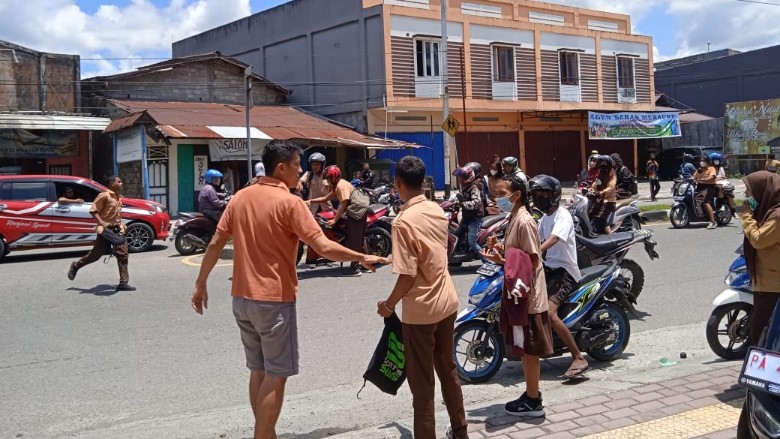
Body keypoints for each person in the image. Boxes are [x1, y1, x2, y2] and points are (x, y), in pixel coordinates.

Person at [190, 140, 388, 439]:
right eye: (297, 165)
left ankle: (265, 433)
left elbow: (217, 242)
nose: (301, 171)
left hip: (241, 299)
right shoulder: (290, 203)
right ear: (281, 168)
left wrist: (200, 283)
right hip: (273, 301)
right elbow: (323, 246)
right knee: (277, 375)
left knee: (258, 371)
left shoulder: (241, 197)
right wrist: (361, 256)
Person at [376, 156, 468, 439]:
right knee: (447, 369)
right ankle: (460, 430)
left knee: (422, 386)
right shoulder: (436, 209)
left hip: (421, 312)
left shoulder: (402, 222)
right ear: (424, 182)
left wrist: (388, 305)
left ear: (398, 183)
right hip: (446, 301)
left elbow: (407, 275)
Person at [481, 174, 553, 418]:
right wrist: (500, 250)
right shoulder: (513, 217)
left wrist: (504, 262)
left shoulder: (524, 221)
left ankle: (533, 401)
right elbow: (517, 253)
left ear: (517, 194)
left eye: (502, 194)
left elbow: (532, 259)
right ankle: (531, 394)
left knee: (530, 350)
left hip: (528, 297)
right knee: (524, 348)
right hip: (519, 295)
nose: (498, 199)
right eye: (496, 194)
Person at [530, 175, 586, 378]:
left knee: (550, 313)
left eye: (543, 194)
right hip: (549, 269)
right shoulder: (545, 218)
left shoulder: (563, 215)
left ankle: (578, 357)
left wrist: (536, 251)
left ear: (553, 195)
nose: (539, 197)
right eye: (536, 194)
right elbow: (535, 239)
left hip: (565, 271)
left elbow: (553, 239)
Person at [67, 176, 135, 292]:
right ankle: (76, 265)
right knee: (95, 255)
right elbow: (93, 211)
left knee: (123, 254)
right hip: (106, 231)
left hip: (117, 230)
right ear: (112, 183)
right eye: (119, 182)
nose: (121, 183)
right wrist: (102, 223)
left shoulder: (118, 196)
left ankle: (123, 283)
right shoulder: (104, 195)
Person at [740, 171, 780, 345]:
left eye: (749, 190)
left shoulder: (777, 216)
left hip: (773, 284)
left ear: (762, 190)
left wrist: (746, 215)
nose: (746, 194)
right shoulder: (768, 210)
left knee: (761, 330)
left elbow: (758, 240)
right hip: (766, 281)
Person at [308, 165, 367, 275]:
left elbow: (343, 203)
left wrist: (335, 220)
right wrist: (310, 201)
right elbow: (325, 198)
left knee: (354, 240)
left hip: (357, 211)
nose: (327, 182)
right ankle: (366, 264)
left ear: (334, 178)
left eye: (328, 179)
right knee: (360, 238)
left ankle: (355, 268)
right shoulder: (337, 186)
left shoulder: (341, 186)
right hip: (358, 209)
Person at [452, 166, 484, 258]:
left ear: (467, 178)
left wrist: (463, 204)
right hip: (467, 217)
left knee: (472, 242)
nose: (459, 179)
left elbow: (476, 203)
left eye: (461, 177)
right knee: (457, 234)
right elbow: (463, 200)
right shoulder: (465, 187)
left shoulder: (474, 188)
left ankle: (488, 261)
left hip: (475, 218)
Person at [589, 155, 618, 235]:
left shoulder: (612, 173)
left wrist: (602, 191)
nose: (601, 165)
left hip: (608, 200)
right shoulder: (602, 172)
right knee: (590, 214)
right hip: (599, 199)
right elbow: (596, 182)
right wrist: (591, 189)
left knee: (601, 218)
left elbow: (611, 186)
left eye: (603, 163)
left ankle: (611, 236)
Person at [692, 155, 717, 229]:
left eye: (703, 161)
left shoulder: (711, 168)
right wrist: (689, 179)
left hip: (709, 187)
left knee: (706, 202)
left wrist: (703, 180)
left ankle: (712, 222)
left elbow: (712, 177)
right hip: (700, 187)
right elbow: (693, 177)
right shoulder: (699, 170)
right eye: (701, 161)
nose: (702, 162)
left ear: (707, 161)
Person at [710, 152, 737, 217]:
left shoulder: (721, 168)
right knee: (720, 188)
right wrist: (717, 179)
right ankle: (719, 206)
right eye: (715, 160)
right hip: (713, 185)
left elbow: (724, 177)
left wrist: (718, 178)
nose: (716, 161)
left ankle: (733, 211)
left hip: (722, 183)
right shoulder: (710, 168)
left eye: (717, 160)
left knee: (729, 195)